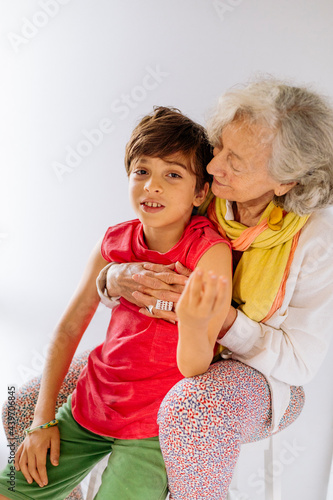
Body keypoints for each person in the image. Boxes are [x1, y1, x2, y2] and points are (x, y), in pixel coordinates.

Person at [99, 79, 333, 499]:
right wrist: (114, 279)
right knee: (30, 399)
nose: (212, 165)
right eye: (219, 146)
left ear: (285, 181)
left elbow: (300, 364)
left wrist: (219, 318)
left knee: (194, 410)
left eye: (235, 162)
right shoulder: (205, 193)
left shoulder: (317, 241)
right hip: (163, 351)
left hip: (259, 379)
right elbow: (134, 251)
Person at [0, 106, 233, 500]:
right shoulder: (113, 244)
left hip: (155, 428)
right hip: (92, 406)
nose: (151, 187)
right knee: (11, 489)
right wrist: (42, 422)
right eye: (142, 171)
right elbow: (69, 328)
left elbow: (195, 366)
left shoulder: (209, 252)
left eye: (172, 175)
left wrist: (193, 323)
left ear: (200, 192)